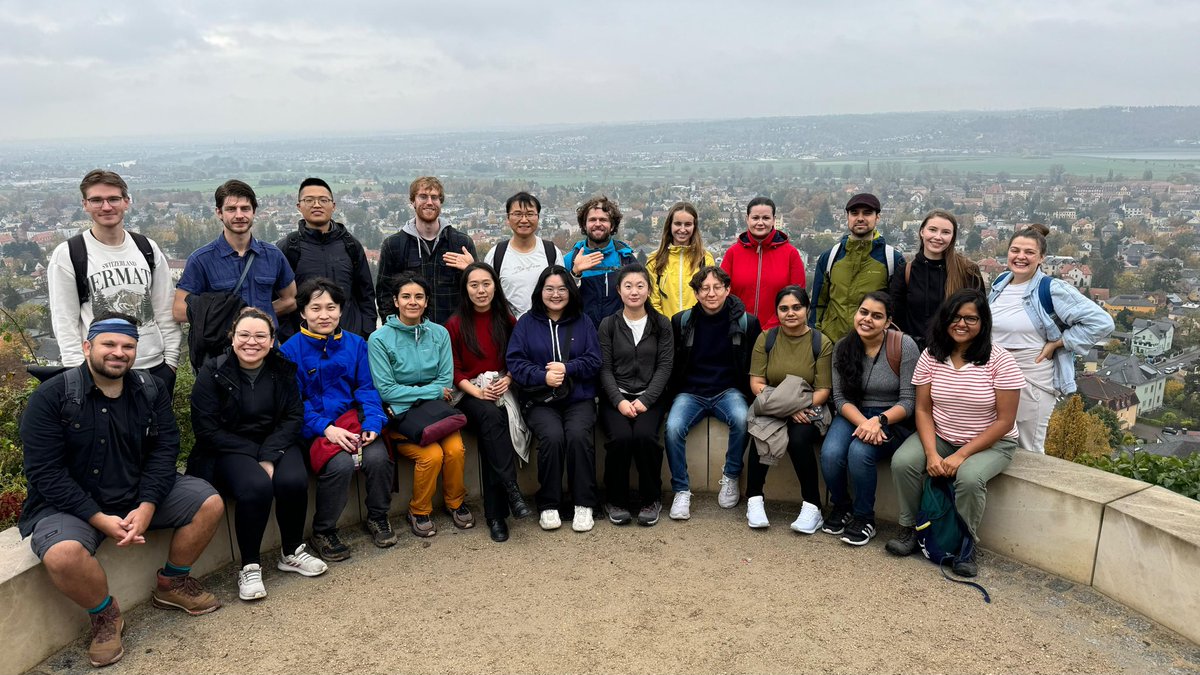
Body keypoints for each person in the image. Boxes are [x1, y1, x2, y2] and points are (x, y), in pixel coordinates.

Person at [18, 315, 223, 668]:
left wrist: (148, 504)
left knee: (208, 502)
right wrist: (98, 518)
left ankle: (172, 584)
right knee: (62, 554)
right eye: (109, 344)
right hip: (70, 505)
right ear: (88, 347)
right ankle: (105, 615)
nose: (119, 352)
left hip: (136, 493)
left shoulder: (150, 389)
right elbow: (45, 473)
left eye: (128, 346)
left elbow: (165, 450)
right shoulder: (51, 397)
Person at [188, 307, 327, 602]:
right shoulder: (212, 372)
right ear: (232, 337)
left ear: (272, 340)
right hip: (229, 446)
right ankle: (250, 565)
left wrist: (270, 453)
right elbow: (206, 429)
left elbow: (293, 416)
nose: (252, 342)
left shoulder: (283, 368)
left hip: (276, 440)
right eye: (244, 335)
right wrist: (257, 454)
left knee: (293, 480)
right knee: (256, 486)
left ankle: (292, 551)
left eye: (261, 336)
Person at [886, 289, 1025, 577]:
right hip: (942, 434)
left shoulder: (1000, 360)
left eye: (971, 318)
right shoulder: (931, 355)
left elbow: (1005, 421)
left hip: (992, 443)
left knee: (970, 478)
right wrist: (931, 453)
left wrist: (962, 455)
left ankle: (966, 545)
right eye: (955, 317)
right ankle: (909, 528)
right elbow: (923, 409)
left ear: (983, 322)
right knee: (903, 463)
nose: (961, 324)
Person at [279, 278, 395, 559]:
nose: (324, 315)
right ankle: (324, 530)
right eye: (315, 308)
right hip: (315, 429)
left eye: (331, 307)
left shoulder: (356, 344)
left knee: (378, 457)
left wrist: (372, 423)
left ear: (341, 311)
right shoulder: (290, 351)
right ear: (303, 312)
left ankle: (378, 516)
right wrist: (326, 428)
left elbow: (367, 388)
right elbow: (294, 404)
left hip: (353, 422)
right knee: (340, 465)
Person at [48, 170, 183, 394]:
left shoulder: (146, 248)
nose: (106, 207)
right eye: (96, 200)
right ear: (85, 204)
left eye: (113, 199)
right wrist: (77, 375)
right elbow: (65, 320)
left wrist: (170, 362)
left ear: (126, 201)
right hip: (100, 372)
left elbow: (165, 309)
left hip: (154, 367)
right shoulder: (70, 254)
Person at [987, 224, 1114, 454]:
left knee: (1027, 447)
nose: (1020, 257)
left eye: (1029, 252)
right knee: (995, 442)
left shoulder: (1051, 288)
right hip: (994, 375)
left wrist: (1059, 342)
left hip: (1030, 377)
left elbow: (1102, 322)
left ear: (1041, 258)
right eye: (1015, 250)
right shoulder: (1001, 283)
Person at [368, 272, 474, 537]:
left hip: (436, 412)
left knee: (455, 450)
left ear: (427, 301)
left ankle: (455, 502)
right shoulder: (379, 339)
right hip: (402, 417)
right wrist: (433, 391)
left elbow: (446, 379)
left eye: (419, 297)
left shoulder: (439, 333)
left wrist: (425, 391)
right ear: (395, 301)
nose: (412, 302)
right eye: (406, 296)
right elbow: (386, 389)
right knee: (431, 455)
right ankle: (419, 510)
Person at [506, 266, 602, 532]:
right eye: (549, 289)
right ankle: (549, 503)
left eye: (562, 289)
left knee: (578, 436)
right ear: (540, 291)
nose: (556, 294)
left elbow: (595, 360)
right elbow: (515, 362)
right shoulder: (526, 323)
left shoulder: (583, 321)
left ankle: (584, 503)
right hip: (540, 400)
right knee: (552, 437)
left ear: (570, 291)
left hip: (579, 397)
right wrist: (542, 376)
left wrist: (568, 368)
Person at [820, 292, 919, 546]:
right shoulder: (843, 347)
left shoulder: (904, 346)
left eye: (876, 316)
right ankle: (843, 507)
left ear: (888, 322)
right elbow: (840, 398)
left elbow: (909, 400)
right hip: (854, 413)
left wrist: (880, 420)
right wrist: (865, 423)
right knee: (831, 454)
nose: (867, 319)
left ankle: (864, 518)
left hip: (892, 418)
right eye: (863, 312)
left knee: (859, 452)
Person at [664, 265, 762, 520]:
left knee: (741, 419)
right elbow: (673, 362)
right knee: (673, 427)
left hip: (728, 391)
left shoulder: (746, 322)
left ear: (727, 290)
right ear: (696, 293)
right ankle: (681, 490)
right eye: (704, 288)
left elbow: (755, 364)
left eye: (717, 287)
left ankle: (731, 475)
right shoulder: (682, 321)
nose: (711, 293)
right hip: (691, 392)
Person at [445, 262, 533, 543]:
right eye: (474, 285)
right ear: (465, 289)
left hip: (502, 388)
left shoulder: (506, 320)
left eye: (486, 284)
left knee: (494, 428)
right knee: (491, 417)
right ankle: (511, 490)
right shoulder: (455, 324)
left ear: (495, 286)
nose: (481, 290)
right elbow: (454, 370)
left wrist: (508, 379)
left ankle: (497, 516)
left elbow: (518, 358)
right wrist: (478, 392)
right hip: (468, 395)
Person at [744, 287, 832, 532]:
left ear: (807, 309)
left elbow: (823, 390)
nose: (790, 313)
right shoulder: (766, 338)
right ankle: (754, 500)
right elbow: (756, 384)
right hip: (774, 406)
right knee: (762, 433)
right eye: (784, 308)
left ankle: (813, 506)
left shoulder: (821, 342)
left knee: (799, 438)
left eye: (796, 307)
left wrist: (792, 406)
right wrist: (788, 408)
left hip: (810, 407)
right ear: (777, 312)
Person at [598, 264, 673, 527]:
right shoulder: (608, 325)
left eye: (640, 286)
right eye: (628, 286)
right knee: (620, 438)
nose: (634, 291)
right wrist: (619, 401)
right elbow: (604, 368)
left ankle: (651, 499)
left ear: (649, 290)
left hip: (650, 398)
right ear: (619, 290)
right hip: (615, 397)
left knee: (644, 437)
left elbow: (665, 367)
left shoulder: (661, 324)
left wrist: (645, 400)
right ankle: (615, 500)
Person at [173, 179, 297, 327]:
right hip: (221, 341)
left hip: (264, 341)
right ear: (219, 213)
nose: (239, 215)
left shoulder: (273, 255)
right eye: (231, 209)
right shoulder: (201, 260)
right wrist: (232, 316)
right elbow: (179, 311)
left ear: (254, 212)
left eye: (245, 208)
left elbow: (290, 300)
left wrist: (259, 317)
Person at [276, 177, 376, 341]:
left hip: (349, 340)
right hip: (303, 343)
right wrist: (289, 338)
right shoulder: (288, 248)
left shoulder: (351, 245)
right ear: (299, 206)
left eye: (323, 200)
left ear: (333, 206)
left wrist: (365, 333)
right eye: (309, 200)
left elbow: (366, 295)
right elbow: (278, 298)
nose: (317, 205)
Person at [375, 177, 476, 324]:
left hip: (453, 332)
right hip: (410, 332)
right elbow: (384, 295)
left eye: (434, 197)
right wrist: (393, 329)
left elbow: (477, 292)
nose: (429, 202)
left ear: (440, 202)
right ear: (413, 201)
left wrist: (472, 271)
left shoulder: (461, 244)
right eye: (423, 197)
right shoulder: (394, 245)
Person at [810, 193, 905, 342]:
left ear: (877, 217)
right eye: (854, 213)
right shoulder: (830, 257)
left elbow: (897, 310)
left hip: (873, 344)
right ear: (847, 217)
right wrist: (816, 339)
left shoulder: (892, 259)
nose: (860, 218)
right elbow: (818, 304)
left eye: (867, 213)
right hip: (832, 342)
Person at [888, 210, 983, 350]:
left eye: (945, 232)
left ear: (953, 237)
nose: (938, 237)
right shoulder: (906, 272)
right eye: (932, 230)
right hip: (913, 354)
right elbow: (895, 318)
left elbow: (979, 317)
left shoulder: (968, 271)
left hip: (954, 354)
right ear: (922, 232)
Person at [720, 197, 806, 329]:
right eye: (755, 218)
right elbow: (722, 294)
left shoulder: (791, 254)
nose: (760, 223)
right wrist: (740, 323)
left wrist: (770, 329)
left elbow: (797, 298)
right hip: (738, 330)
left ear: (774, 220)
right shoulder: (732, 253)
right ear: (747, 219)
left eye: (766, 218)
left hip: (779, 332)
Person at [483, 192, 564, 318]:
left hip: (545, 325)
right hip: (507, 326)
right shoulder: (496, 254)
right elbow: (486, 294)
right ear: (508, 218)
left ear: (538, 217)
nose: (524, 220)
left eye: (530, 214)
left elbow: (563, 291)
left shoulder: (551, 252)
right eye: (518, 214)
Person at [564, 195, 636, 329]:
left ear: (612, 225)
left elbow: (639, 301)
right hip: (581, 335)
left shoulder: (626, 259)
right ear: (584, 225)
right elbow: (559, 300)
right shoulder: (569, 260)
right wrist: (575, 273)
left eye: (603, 219)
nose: (597, 224)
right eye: (592, 220)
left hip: (618, 335)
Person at [646, 202, 715, 318]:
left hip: (698, 326)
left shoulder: (705, 259)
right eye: (678, 224)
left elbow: (710, 298)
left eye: (688, 224)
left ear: (694, 227)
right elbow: (653, 302)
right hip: (666, 327)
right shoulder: (655, 260)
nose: (682, 229)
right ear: (670, 225)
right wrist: (665, 326)